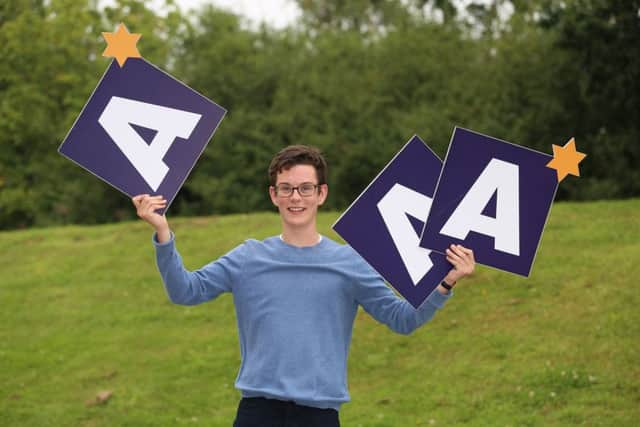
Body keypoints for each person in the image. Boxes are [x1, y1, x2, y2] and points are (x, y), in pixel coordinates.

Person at [132, 145, 475, 427]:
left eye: (305, 188)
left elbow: (403, 319)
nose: (296, 197)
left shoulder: (350, 263)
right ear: (274, 195)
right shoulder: (248, 257)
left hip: (319, 415)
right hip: (257, 413)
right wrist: (163, 233)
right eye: (287, 188)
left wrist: (445, 283)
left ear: (321, 193)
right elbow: (185, 291)